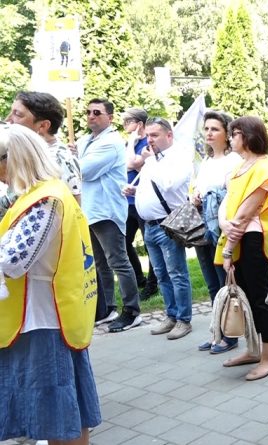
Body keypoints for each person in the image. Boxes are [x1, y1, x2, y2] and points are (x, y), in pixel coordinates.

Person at [0, 124, 101, 445]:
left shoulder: (45, 200)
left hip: (43, 318)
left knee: (59, 414)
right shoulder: (41, 195)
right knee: (61, 412)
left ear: (15, 158)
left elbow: (12, 260)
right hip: (44, 315)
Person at [215, 116, 268, 380]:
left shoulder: (265, 168)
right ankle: (253, 350)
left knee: (260, 299)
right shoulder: (241, 167)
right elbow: (227, 203)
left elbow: (244, 215)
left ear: (248, 136)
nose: (231, 138)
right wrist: (224, 223)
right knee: (244, 297)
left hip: (254, 240)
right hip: (238, 236)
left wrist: (228, 249)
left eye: (235, 133)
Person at [123, 117, 193, 340]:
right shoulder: (154, 160)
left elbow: (169, 184)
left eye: (154, 135)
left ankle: (184, 319)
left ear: (169, 135)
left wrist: (150, 161)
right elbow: (150, 187)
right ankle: (171, 315)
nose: (149, 140)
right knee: (162, 275)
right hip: (150, 225)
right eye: (148, 136)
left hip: (168, 224)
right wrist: (135, 192)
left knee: (177, 273)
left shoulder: (179, 157)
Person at [77, 98, 142, 332]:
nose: (91, 116)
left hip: (106, 210)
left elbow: (83, 171)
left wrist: (73, 160)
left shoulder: (112, 142)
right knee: (99, 263)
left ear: (110, 118)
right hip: (89, 210)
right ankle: (106, 309)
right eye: (88, 112)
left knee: (118, 262)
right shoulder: (85, 140)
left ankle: (132, 311)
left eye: (97, 112)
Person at [193, 110, 241, 354]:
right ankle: (217, 331)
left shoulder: (233, 161)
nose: (209, 133)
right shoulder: (206, 161)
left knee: (224, 283)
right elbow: (197, 188)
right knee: (211, 283)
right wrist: (196, 196)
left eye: (215, 129)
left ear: (226, 133)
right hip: (202, 226)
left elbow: (232, 194)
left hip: (221, 227)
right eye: (207, 129)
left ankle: (230, 334)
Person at [5, 91, 82, 204]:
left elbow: (72, 205)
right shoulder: (31, 154)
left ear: (43, 126)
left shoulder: (57, 160)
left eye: (18, 114)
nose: (8, 120)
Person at [121, 107, 158, 300]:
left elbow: (131, 164)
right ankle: (139, 278)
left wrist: (131, 144)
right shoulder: (130, 143)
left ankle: (153, 284)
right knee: (124, 242)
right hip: (128, 202)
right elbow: (125, 165)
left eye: (128, 122)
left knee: (149, 243)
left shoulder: (147, 143)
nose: (124, 125)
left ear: (139, 124)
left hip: (143, 200)